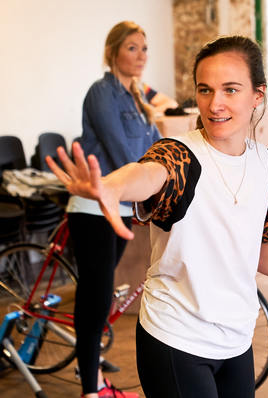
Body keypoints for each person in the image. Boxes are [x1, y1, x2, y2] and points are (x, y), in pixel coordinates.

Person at [47, 35, 268, 398]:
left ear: (257, 95)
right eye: (205, 90)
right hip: (175, 337)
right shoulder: (179, 154)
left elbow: (258, 251)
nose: (215, 104)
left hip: (237, 338)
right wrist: (112, 186)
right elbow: (149, 173)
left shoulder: (264, 163)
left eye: (230, 90)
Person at [68, 21, 161, 397]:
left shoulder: (137, 99)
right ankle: (90, 388)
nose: (141, 56)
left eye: (144, 48)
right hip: (92, 211)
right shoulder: (101, 94)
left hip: (120, 210)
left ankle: (86, 366)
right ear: (113, 53)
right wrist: (153, 192)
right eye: (132, 48)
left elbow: (156, 151)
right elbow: (126, 157)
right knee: (95, 300)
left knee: (102, 297)